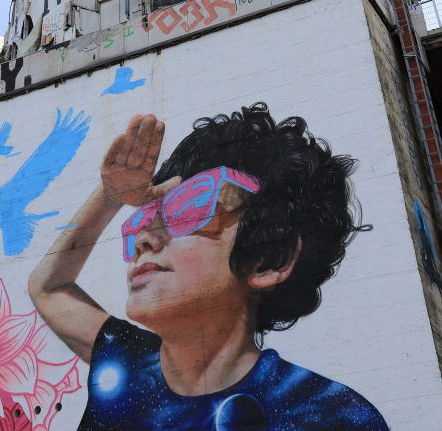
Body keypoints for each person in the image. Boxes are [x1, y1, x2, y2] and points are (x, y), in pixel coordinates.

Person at [29, 103, 388, 430]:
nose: (144, 239)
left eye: (190, 207)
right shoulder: (126, 361)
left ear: (269, 260)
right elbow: (48, 287)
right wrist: (110, 197)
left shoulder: (329, 415)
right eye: (144, 219)